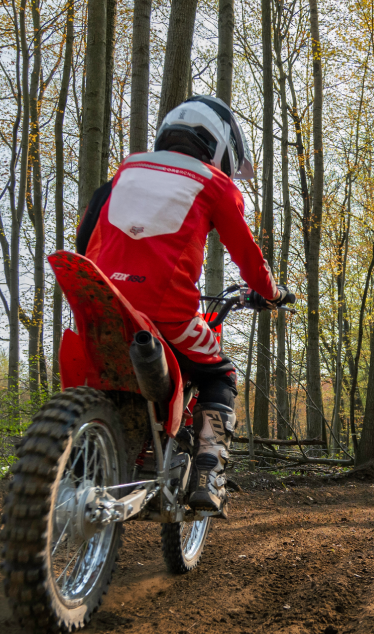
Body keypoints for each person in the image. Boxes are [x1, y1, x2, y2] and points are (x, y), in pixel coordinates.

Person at [75, 95, 294, 514]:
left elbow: (86, 235)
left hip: (99, 300)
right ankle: (210, 473)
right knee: (220, 374)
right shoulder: (217, 185)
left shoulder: (126, 170)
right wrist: (273, 293)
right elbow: (249, 259)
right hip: (165, 313)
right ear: (221, 146)